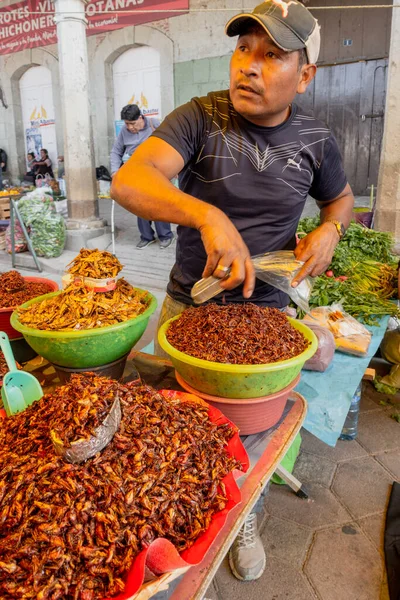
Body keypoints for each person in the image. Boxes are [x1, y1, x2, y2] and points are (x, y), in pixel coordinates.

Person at [111, 0, 354, 582]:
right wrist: (205, 216)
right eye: (243, 50)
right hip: (189, 304)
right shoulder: (200, 116)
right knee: (178, 431)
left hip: (267, 311)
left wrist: (329, 229)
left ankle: (243, 513)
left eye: (272, 56)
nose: (250, 66)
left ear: (305, 74)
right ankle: (172, 522)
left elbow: (339, 200)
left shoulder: (317, 139)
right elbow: (129, 179)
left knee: (255, 433)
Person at [110, 104, 174, 249]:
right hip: (137, 170)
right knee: (139, 203)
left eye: (132, 124)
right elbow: (116, 151)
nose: (130, 127)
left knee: (159, 202)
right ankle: (146, 236)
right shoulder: (124, 133)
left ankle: (165, 235)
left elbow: (171, 141)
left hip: (157, 168)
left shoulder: (154, 124)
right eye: (127, 124)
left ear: (140, 117)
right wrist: (114, 171)